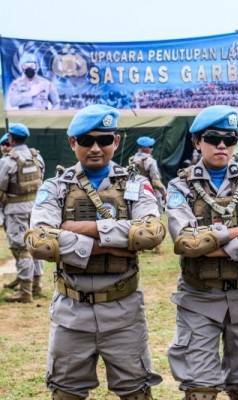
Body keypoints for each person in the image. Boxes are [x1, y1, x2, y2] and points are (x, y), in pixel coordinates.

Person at [25, 104, 164, 399]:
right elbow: (39, 240)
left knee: (137, 392)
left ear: (116, 141)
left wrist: (76, 229)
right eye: (87, 140)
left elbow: (150, 233)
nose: (96, 148)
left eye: (104, 139)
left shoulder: (136, 184)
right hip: (71, 311)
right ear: (72, 143)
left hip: (124, 310)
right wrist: (115, 241)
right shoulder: (55, 187)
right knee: (66, 393)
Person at [165, 105, 238, 400]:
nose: (222, 145)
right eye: (213, 138)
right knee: (200, 389)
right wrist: (237, 234)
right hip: (199, 296)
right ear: (196, 142)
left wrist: (210, 245)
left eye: (229, 139)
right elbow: (184, 242)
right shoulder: (180, 185)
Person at [0, 123, 46, 302]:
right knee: (36, 244)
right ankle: (36, 285)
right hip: (35, 207)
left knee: (21, 249)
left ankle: (25, 292)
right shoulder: (36, 157)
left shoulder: (8, 161)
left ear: (11, 139)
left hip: (15, 210)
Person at [130, 136, 168, 207]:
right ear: (144, 148)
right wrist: (164, 193)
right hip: (149, 192)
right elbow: (156, 182)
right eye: (150, 147)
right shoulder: (150, 161)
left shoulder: (132, 160)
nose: (152, 149)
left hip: (134, 191)